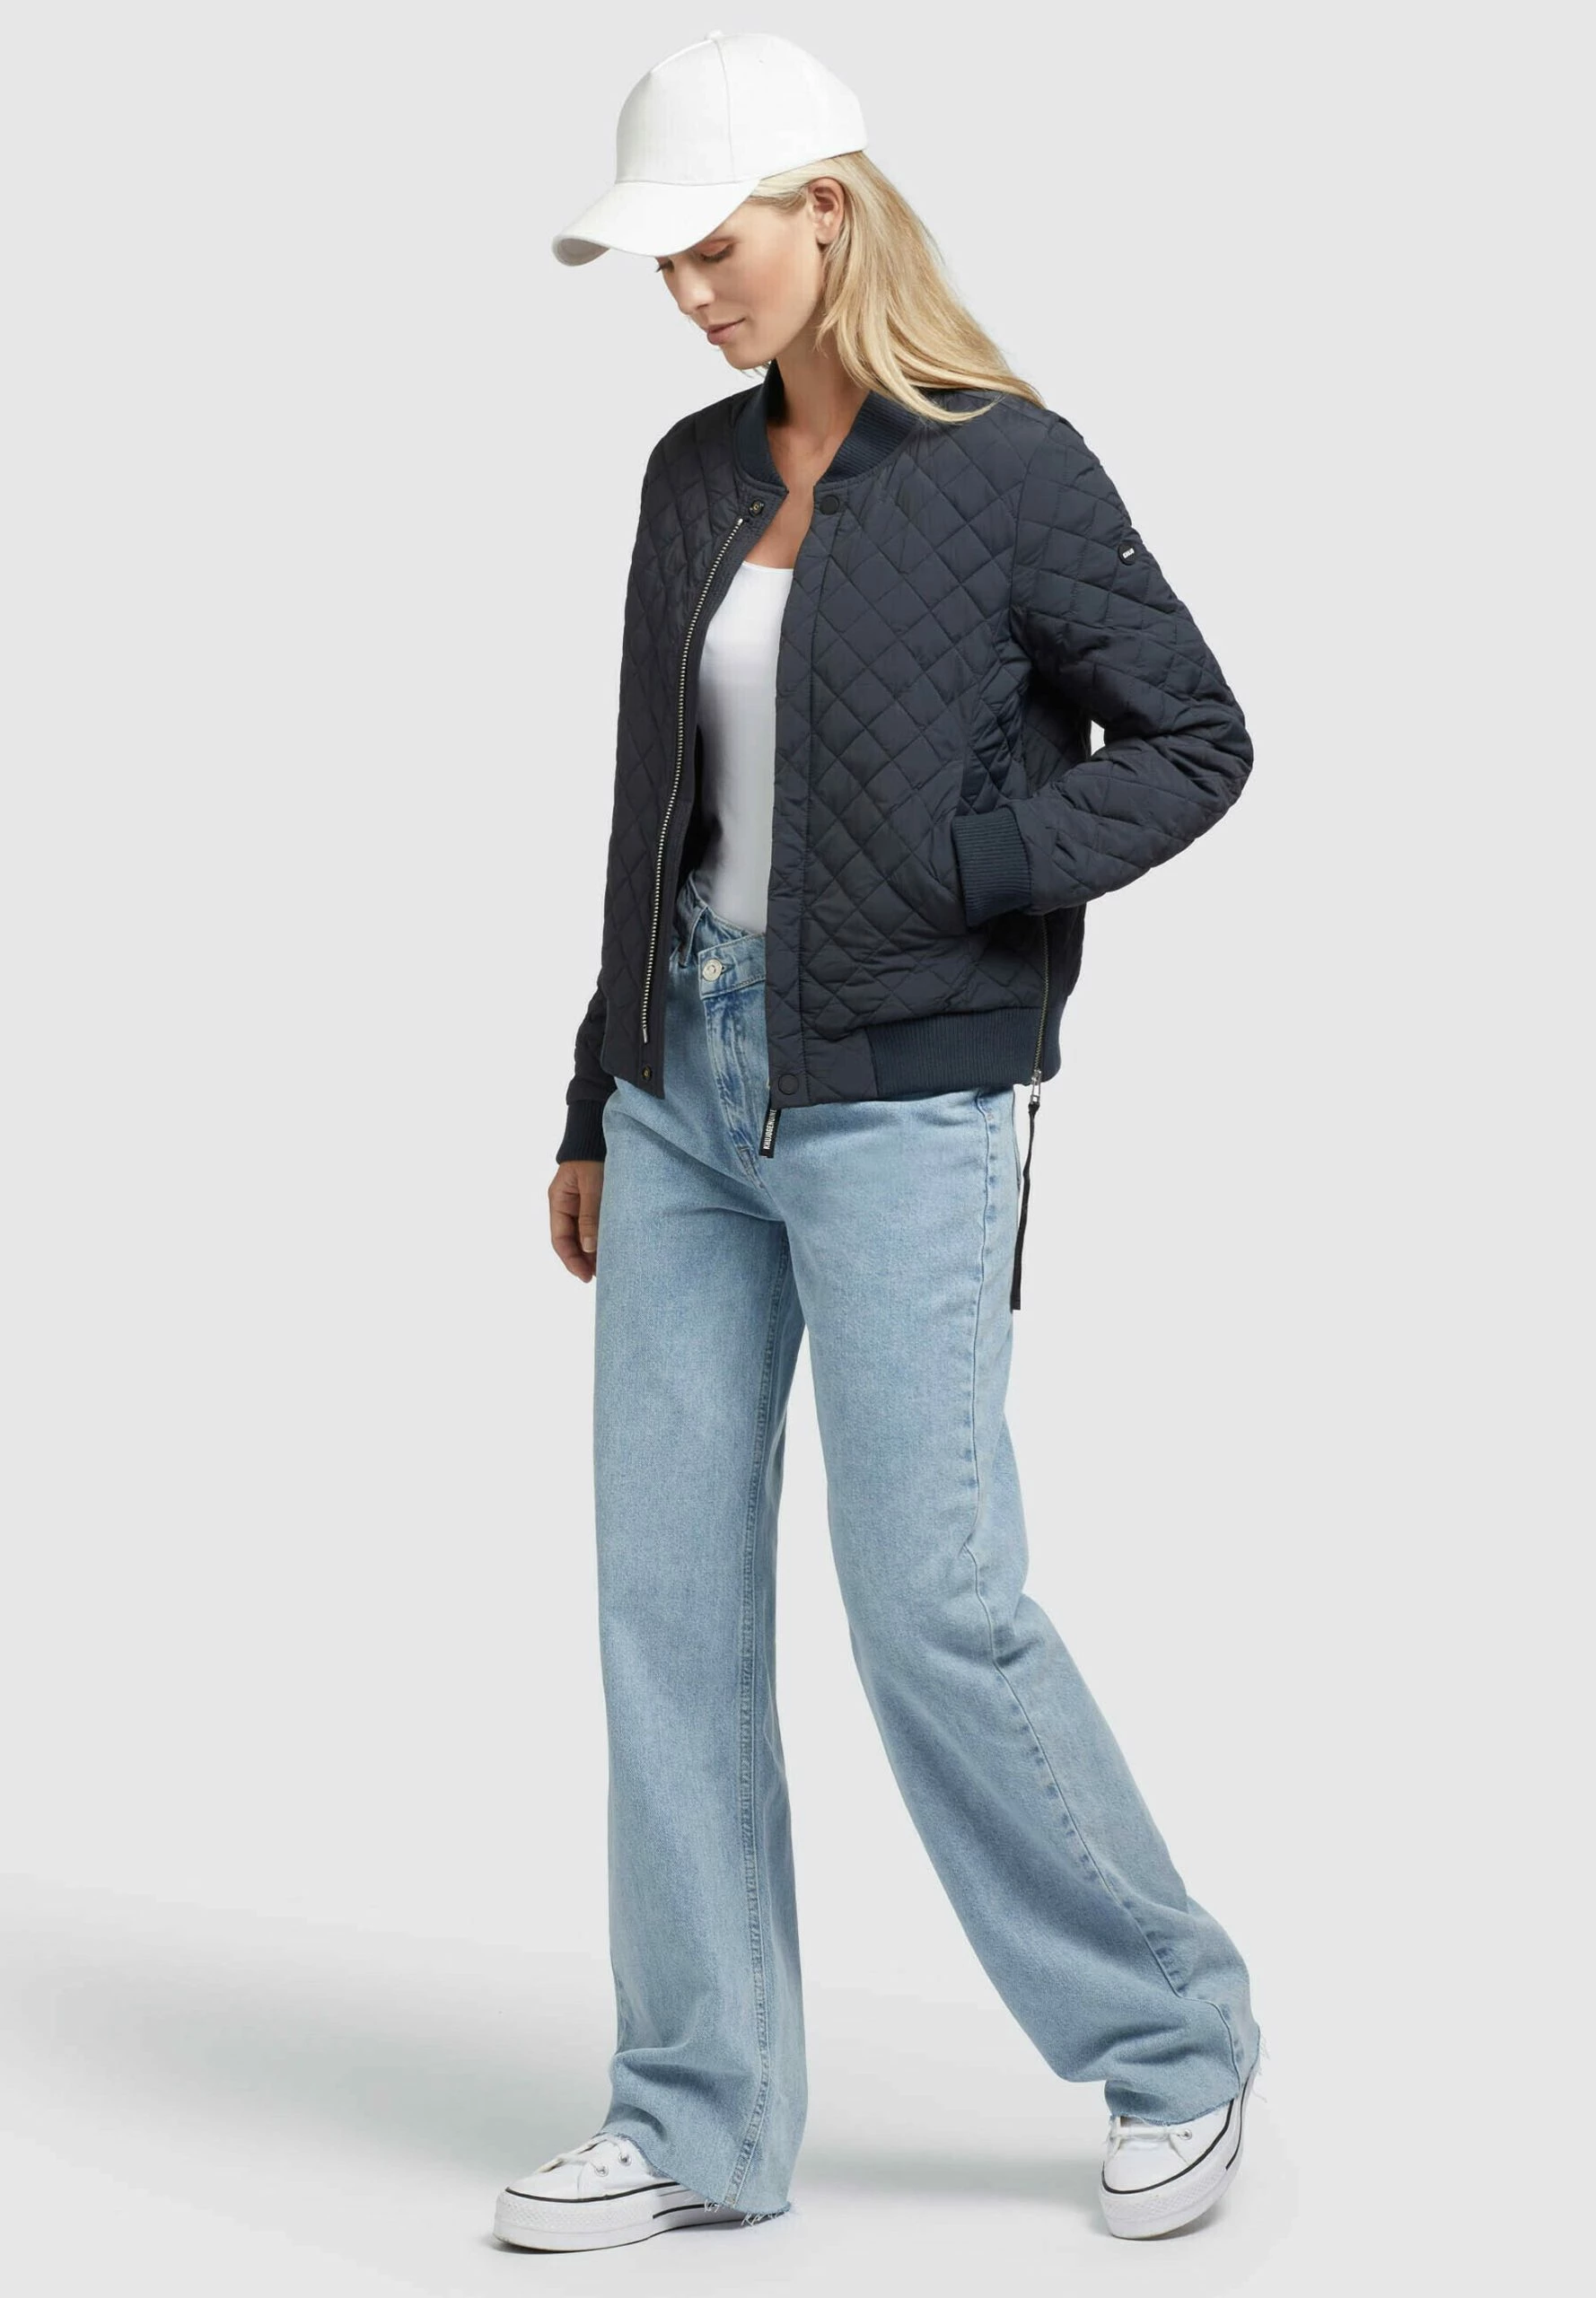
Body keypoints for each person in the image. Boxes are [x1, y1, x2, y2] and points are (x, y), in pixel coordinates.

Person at [496, 30, 1265, 2254]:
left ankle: (1174, 2032)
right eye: (661, 265)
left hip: (909, 1099)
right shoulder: (684, 476)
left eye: (711, 246)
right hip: (684, 1092)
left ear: (825, 211)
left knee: (931, 1602)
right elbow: (654, 809)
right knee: (663, 1606)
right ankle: (695, 2112)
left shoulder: (1008, 467)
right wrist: (596, 1086)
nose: (688, 292)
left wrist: (971, 870)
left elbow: (1196, 736)